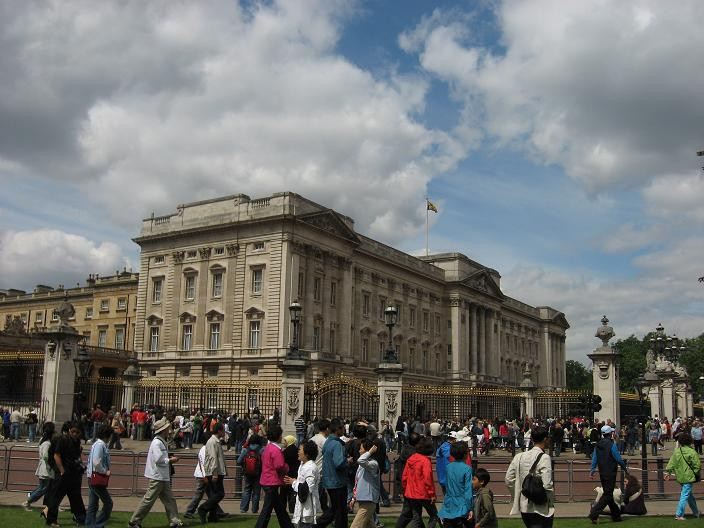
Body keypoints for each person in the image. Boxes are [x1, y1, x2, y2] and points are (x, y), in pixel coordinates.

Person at [128, 417, 182, 528]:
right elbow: (159, 460)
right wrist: (171, 460)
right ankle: (134, 521)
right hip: (158, 476)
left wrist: (168, 458)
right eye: (167, 429)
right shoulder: (157, 443)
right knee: (149, 500)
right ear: (162, 430)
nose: (169, 430)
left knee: (170, 500)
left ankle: (174, 521)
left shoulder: (161, 441)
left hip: (162, 476)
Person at [505, 426, 554, 528]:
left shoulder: (519, 456)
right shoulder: (545, 458)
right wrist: (550, 502)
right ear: (545, 439)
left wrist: (518, 495)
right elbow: (547, 484)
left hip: (524, 506)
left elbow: (509, 480)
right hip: (541, 507)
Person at [44, 421, 87, 526]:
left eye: (77, 432)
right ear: (69, 430)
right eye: (73, 431)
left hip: (73, 473)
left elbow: (76, 456)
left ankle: (81, 518)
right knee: (56, 497)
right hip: (64, 474)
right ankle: (51, 520)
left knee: (76, 497)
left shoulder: (76, 441)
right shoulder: (63, 440)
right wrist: (62, 470)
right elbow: (56, 455)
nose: (75, 434)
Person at [255, 424, 294, 528]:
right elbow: (280, 465)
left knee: (279, 508)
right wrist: (287, 467)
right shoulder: (276, 450)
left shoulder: (268, 447)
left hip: (267, 480)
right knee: (267, 510)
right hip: (272, 482)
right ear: (278, 436)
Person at [316, 418, 349, 528]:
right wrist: (347, 461)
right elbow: (339, 463)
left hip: (329, 480)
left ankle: (318, 525)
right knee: (340, 510)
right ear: (338, 429)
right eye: (342, 427)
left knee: (335, 509)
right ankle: (317, 525)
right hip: (337, 481)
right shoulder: (336, 444)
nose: (344, 429)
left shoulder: (328, 443)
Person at [184, 433, 226, 519]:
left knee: (212, 495)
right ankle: (189, 511)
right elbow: (204, 463)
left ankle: (217, 512)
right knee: (201, 494)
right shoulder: (205, 449)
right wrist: (205, 476)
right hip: (203, 475)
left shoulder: (204, 448)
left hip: (203, 474)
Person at [401, 437, 438, 528]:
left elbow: (404, 476)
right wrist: (432, 494)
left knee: (416, 517)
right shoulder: (425, 461)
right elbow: (427, 479)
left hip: (411, 493)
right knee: (434, 515)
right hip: (423, 493)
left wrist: (405, 489)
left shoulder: (411, 458)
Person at [665, 432, 701, 520]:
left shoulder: (677, 451)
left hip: (680, 476)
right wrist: (694, 473)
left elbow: (671, 463)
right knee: (685, 495)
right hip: (688, 477)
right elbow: (697, 465)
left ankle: (696, 512)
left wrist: (668, 473)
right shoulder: (692, 452)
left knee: (689, 495)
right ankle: (679, 514)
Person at [285, 440, 321, 528]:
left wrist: (294, 482)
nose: (298, 452)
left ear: (307, 454)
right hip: (302, 506)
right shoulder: (303, 465)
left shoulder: (310, 468)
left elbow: (307, 489)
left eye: (300, 450)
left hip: (307, 508)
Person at [437, 441, 473, 528]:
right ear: (465, 454)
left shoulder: (448, 467)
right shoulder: (467, 469)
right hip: (462, 505)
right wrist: (470, 508)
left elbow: (448, 487)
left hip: (449, 505)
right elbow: (468, 491)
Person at [198, 423, 227, 523]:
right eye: (223, 430)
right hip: (215, 472)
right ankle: (203, 508)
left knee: (215, 494)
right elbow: (213, 458)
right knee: (220, 494)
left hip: (217, 471)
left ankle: (212, 516)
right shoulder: (212, 442)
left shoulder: (216, 441)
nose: (224, 432)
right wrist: (214, 474)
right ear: (219, 431)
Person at [23, 421, 55, 510]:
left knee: (45, 488)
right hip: (46, 468)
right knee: (43, 488)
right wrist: (52, 463)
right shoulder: (47, 443)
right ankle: (28, 500)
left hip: (44, 467)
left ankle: (49, 505)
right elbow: (45, 456)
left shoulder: (43, 440)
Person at [85, 424, 113, 528]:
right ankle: (98, 524)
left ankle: (90, 525)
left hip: (92, 476)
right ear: (107, 435)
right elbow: (96, 462)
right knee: (108, 503)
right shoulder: (100, 445)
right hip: (96, 476)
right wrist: (105, 471)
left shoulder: (98, 444)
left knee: (93, 504)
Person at [348, 439, 379, 528]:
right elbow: (358, 482)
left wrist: (369, 452)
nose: (359, 451)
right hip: (363, 500)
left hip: (368, 501)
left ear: (367, 451)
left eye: (361, 449)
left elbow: (360, 460)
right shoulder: (363, 465)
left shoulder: (373, 464)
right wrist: (354, 498)